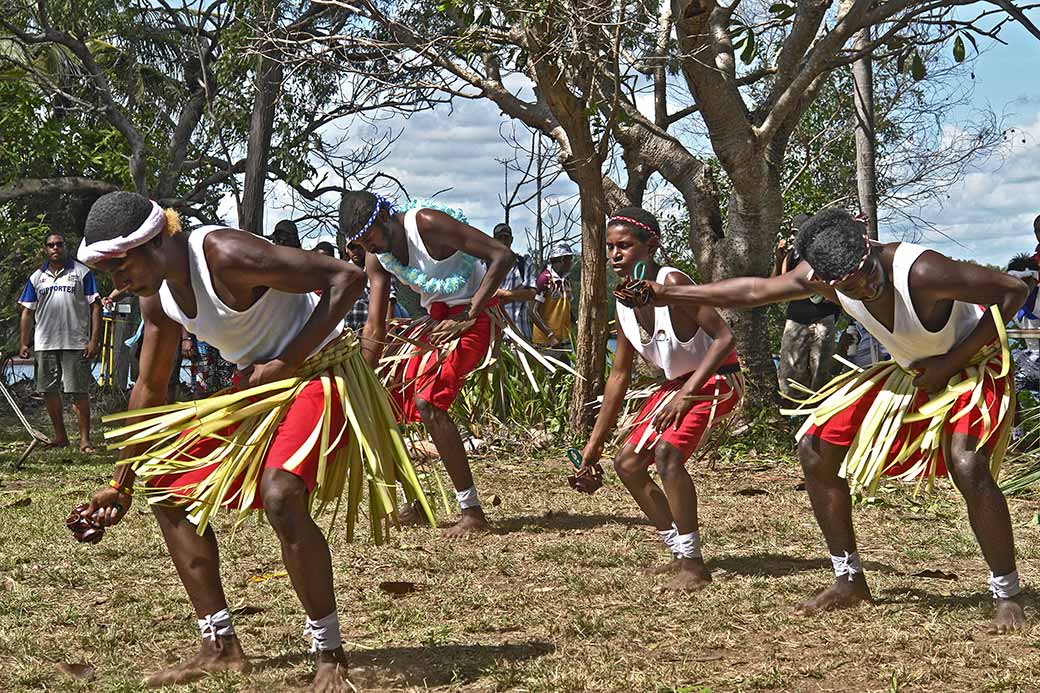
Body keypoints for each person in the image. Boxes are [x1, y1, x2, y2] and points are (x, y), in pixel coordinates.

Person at [75, 191, 428, 691]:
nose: (117, 282)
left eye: (121, 266)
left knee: (280, 494)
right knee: (164, 484)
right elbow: (150, 385)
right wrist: (122, 481)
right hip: (259, 389)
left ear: (153, 242)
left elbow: (345, 278)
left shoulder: (223, 253)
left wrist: (286, 362)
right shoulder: (157, 294)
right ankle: (220, 645)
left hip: (319, 375)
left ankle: (330, 653)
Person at [630, 207, 1028, 633]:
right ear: (821, 282)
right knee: (814, 448)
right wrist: (668, 294)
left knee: (966, 463)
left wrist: (951, 362)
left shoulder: (923, 270)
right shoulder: (818, 276)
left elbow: (1013, 292)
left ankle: (1008, 595)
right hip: (913, 373)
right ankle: (849, 580)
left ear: (868, 248)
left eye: (868, 273)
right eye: (849, 287)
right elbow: (751, 291)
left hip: (972, 368)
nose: (867, 287)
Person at [579, 208, 743, 591]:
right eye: (610, 248)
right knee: (628, 463)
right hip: (678, 387)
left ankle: (694, 564)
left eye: (625, 246)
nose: (615, 255)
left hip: (717, 378)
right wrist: (593, 445)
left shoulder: (674, 283)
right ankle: (677, 549)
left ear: (651, 246)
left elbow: (724, 340)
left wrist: (686, 395)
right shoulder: (623, 302)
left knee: (668, 454)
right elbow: (619, 375)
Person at [340, 192, 516, 538]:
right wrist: (362, 377)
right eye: (360, 243)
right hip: (436, 322)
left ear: (385, 217)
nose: (369, 247)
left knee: (428, 401)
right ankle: (417, 503)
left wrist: (469, 313)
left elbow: (502, 255)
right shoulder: (378, 257)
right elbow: (374, 326)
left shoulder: (427, 224)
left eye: (370, 236)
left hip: (475, 316)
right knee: (385, 400)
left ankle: (472, 511)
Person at [18, 232, 101, 452]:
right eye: (51, 245)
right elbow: (27, 312)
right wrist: (24, 343)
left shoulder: (82, 272)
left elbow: (95, 306)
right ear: (46, 249)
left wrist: (93, 340)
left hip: (75, 342)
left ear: (65, 247)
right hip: (45, 343)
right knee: (48, 391)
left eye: (59, 244)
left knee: (78, 392)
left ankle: (84, 441)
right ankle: (61, 437)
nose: (55, 248)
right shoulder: (37, 277)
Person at [772, 215, 841, 396]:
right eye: (795, 233)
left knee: (821, 371)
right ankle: (795, 409)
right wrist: (779, 259)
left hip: (824, 317)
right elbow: (776, 286)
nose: (798, 237)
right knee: (790, 372)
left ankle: (819, 407)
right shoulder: (790, 255)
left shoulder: (826, 252)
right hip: (797, 318)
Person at [490, 223, 537, 338]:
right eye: (499, 238)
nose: (503, 241)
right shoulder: (485, 265)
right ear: (493, 240)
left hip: (521, 334)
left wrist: (502, 293)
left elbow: (532, 293)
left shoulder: (524, 263)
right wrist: (518, 292)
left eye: (506, 237)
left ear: (512, 240)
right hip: (493, 336)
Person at [343, 241, 400, 332]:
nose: (356, 251)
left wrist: (387, 330)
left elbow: (390, 299)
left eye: (359, 247)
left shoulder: (379, 266)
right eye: (352, 248)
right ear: (346, 249)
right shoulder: (343, 271)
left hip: (375, 327)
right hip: (351, 327)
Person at [532, 244, 575, 352]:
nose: (572, 262)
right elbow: (532, 311)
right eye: (569, 258)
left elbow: (566, 308)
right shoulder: (545, 279)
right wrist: (550, 336)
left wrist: (578, 324)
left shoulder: (566, 279)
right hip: (546, 343)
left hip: (564, 341)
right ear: (562, 260)